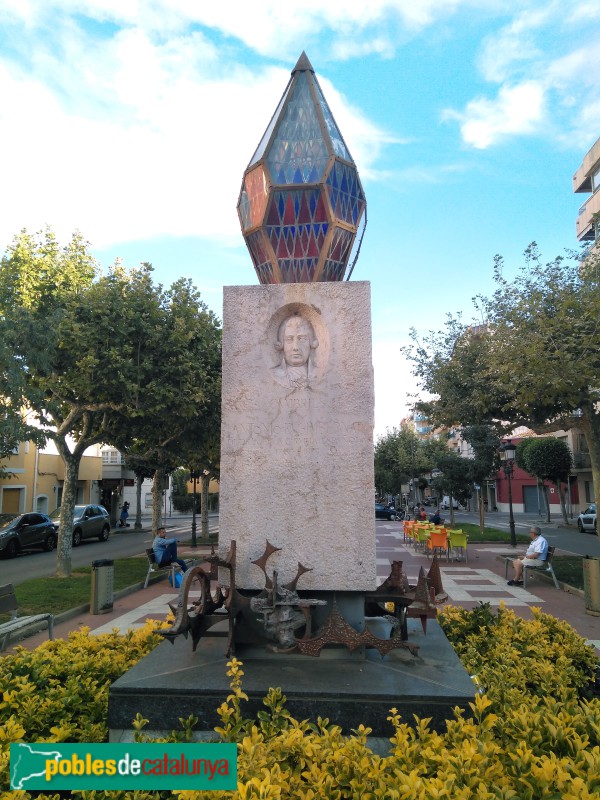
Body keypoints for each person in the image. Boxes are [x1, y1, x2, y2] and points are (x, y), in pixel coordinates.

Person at [271, 314, 319, 388]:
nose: (295, 347)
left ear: (311, 343)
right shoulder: (274, 374)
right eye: (289, 339)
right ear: (282, 344)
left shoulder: (319, 374)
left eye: (302, 339)